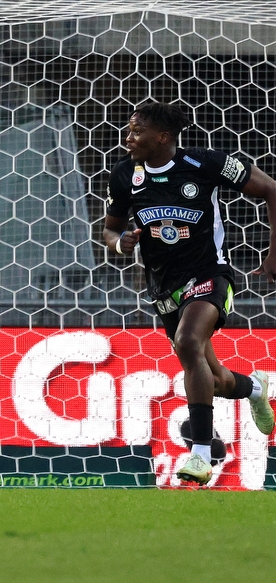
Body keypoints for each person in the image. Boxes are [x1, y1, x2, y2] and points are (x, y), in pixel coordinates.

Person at [103, 101, 276, 485]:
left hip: (209, 274)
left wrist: (272, 254)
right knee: (214, 381)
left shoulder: (207, 163)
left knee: (187, 341)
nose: (127, 138)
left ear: (162, 137)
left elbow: (271, 190)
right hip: (164, 287)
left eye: (136, 131)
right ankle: (254, 387)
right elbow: (109, 230)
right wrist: (121, 244)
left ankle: (201, 453)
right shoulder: (124, 175)